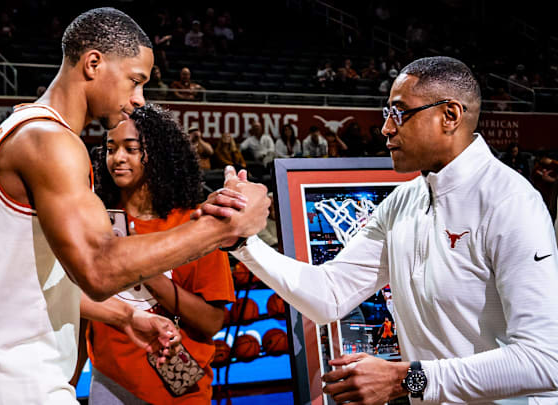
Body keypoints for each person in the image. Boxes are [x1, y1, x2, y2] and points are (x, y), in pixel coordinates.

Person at [0, 8, 268, 405]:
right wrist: (224, 226)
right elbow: (98, 268)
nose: (138, 99)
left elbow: (30, 277)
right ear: (93, 63)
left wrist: (125, 316)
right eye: (135, 81)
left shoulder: (19, 126)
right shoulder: (51, 141)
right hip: (10, 378)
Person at [204, 56, 558, 404]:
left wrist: (408, 378)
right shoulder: (402, 201)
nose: (387, 127)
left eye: (400, 112)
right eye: (387, 113)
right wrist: (242, 240)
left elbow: (546, 360)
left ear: (449, 116)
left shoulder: (511, 204)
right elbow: (329, 295)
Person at [87, 104, 235, 404]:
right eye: (111, 149)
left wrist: (146, 269)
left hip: (179, 388)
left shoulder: (194, 224)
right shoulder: (95, 220)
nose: (117, 159)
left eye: (131, 149)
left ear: (159, 155)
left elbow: (211, 323)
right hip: (109, 381)